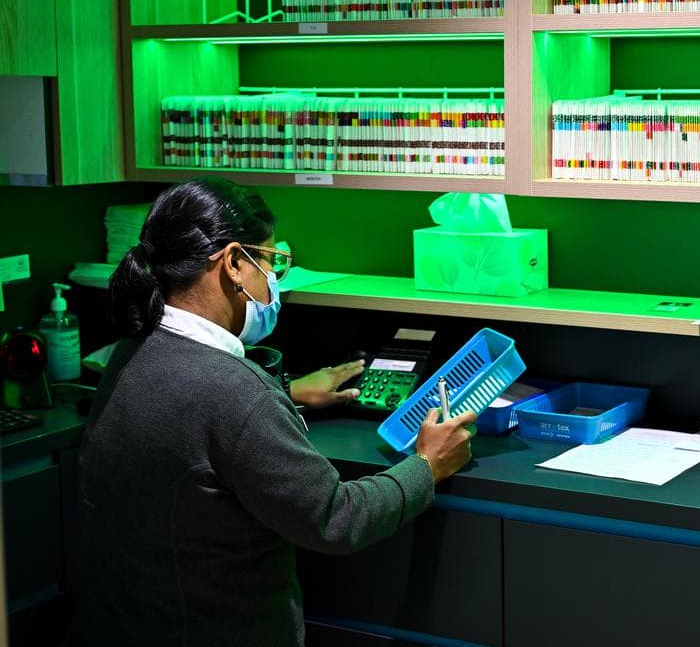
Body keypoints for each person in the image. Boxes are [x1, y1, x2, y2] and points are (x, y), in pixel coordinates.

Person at [69, 177, 476, 646]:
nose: (274, 282)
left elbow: (193, 421)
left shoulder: (131, 352)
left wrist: (287, 392)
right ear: (235, 264)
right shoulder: (235, 395)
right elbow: (334, 519)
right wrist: (427, 465)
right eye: (271, 263)